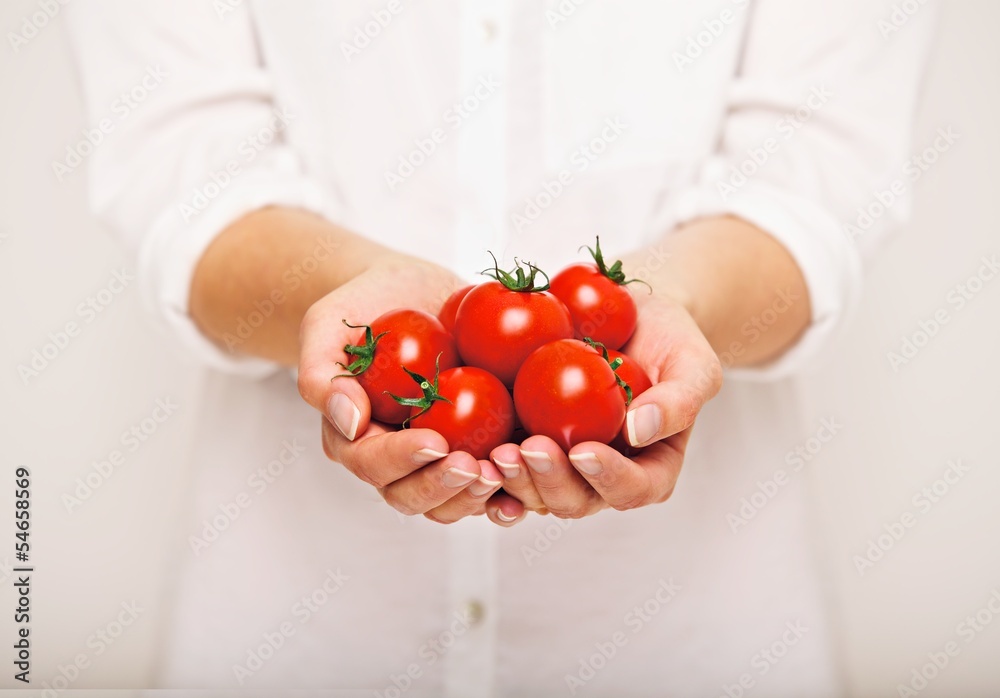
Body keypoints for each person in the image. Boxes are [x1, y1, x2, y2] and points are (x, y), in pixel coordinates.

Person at [67, 0, 935, 695]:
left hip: (693, 639)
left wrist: (673, 299)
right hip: (291, 632)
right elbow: (177, 163)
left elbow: (824, 174)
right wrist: (334, 290)